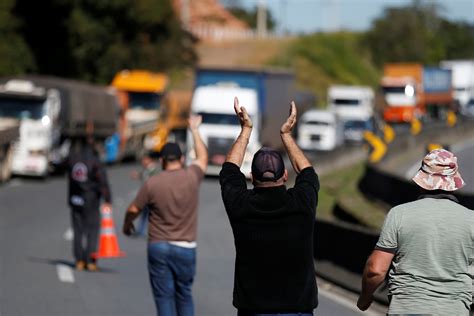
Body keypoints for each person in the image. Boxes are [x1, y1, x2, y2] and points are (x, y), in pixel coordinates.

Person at [219, 98, 319, 316]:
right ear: (284, 175)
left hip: (254, 310)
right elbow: (308, 173)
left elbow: (228, 170)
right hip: (297, 311)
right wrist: (286, 135)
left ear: (252, 177)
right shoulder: (302, 202)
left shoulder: (241, 205)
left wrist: (246, 130)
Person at [357, 149, 473, 315]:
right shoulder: (471, 220)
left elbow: (376, 269)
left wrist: (365, 297)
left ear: (421, 182)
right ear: (453, 184)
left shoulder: (399, 214)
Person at [122, 115, 207, 316]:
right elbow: (203, 157)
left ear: (162, 161)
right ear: (182, 159)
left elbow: (134, 209)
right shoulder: (191, 177)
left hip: (158, 246)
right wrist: (194, 129)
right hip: (185, 247)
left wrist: (127, 225)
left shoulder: (153, 183)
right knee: (184, 294)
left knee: (164, 297)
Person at [67, 136, 112, 272]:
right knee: (92, 231)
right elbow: (102, 182)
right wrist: (108, 200)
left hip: (75, 199)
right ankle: (90, 260)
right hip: (91, 201)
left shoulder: (73, 159)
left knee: (78, 231)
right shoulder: (95, 161)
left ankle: (79, 260)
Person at [130, 153, 159, 236]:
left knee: (152, 215)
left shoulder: (154, 170)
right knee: (144, 214)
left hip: (151, 196)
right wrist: (137, 175)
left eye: (145, 159)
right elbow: (144, 175)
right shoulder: (148, 169)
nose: (143, 161)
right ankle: (140, 230)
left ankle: (154, 231)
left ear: (150, 160)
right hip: (146, 196)